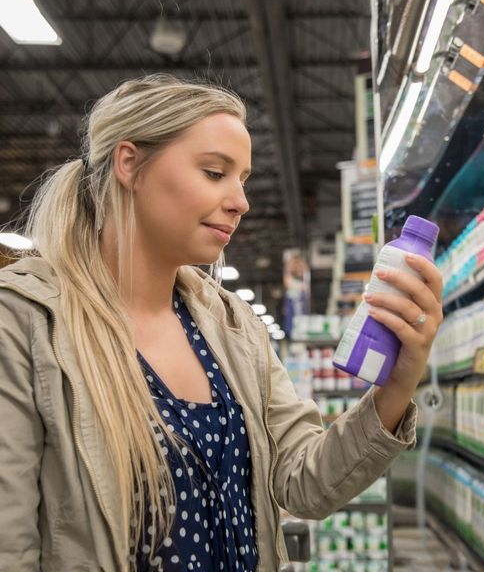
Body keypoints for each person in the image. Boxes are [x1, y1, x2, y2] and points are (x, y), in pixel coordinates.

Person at [0, 74, 443, 572]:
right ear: (129, 164)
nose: (241, 201)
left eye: (244, 179)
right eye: (215, 173)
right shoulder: (24, 324)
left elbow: (305, 484)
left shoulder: (233, 328)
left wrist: (401, 379)